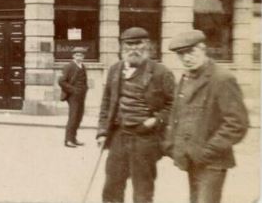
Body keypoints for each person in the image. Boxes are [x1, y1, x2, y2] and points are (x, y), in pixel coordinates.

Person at [163, 29, 249, 203]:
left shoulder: (222, 78)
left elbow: (237, 124)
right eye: (181, 54)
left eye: (191, 52)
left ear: (203, 49)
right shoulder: (186, 77)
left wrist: (207, 151)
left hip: (212, 162)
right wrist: (171, 145)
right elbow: (177, 114)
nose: (186, 58)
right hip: (191, 159)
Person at [96, 27, 175, 203]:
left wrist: (155, 120)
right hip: (118, 135)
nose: (134, 49)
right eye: (129, 44)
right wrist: (102, 132)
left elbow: (174, 106)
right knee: (111, 187)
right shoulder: (114, 70)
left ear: (148, 46)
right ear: (121, 47)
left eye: (139, 44)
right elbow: (107, 103)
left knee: (142, 190)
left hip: (145, 138)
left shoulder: (161, 72)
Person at [59, 46, 88, 147]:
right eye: (77, 55)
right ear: (73, 56)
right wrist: (73, 90)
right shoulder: (69, 66)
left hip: (81, 95)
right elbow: (61, 81)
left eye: (81, 55)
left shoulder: (83, 66)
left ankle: (74, 138)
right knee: (73, 117)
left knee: (79, 117)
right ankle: (68, 140)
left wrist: (85, 90)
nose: (79, 57)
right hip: (73, 96)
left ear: (83, 56)